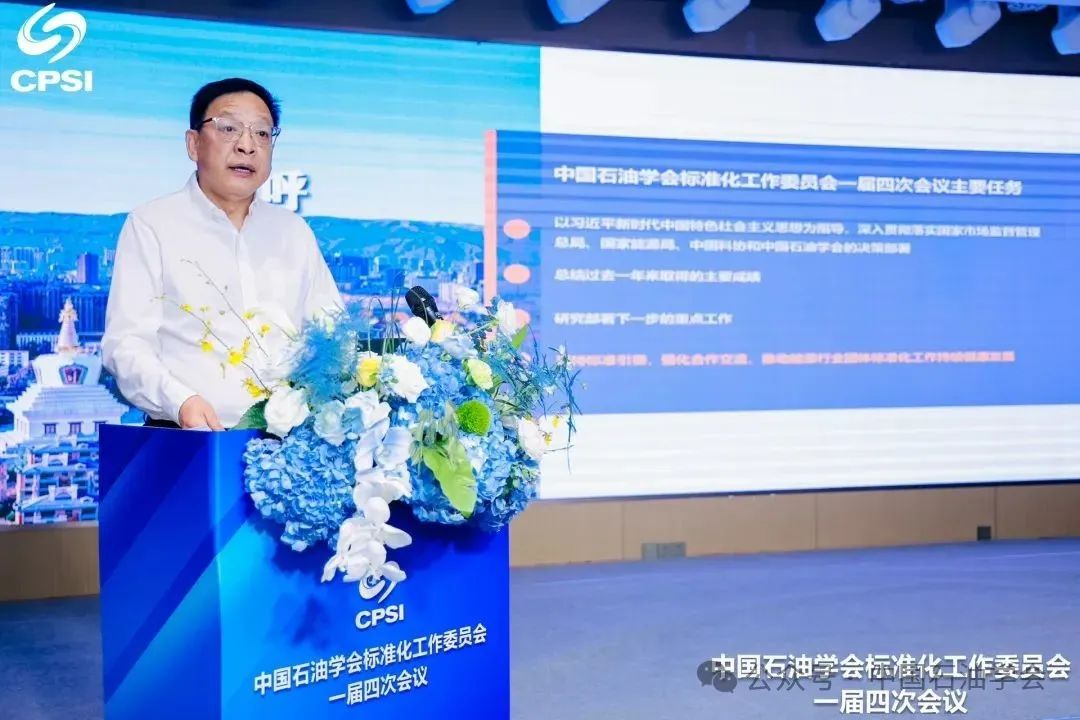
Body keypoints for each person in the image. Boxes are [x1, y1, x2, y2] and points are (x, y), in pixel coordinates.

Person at [102, 78, 342, 430]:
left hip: (290, 440)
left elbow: (332, 334)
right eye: (229, 128)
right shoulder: (152, 224)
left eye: (262, 133)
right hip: (189, 435)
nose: (247, 145)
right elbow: (126, 345)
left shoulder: (293, 231)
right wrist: (180, 401)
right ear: (194, 143)